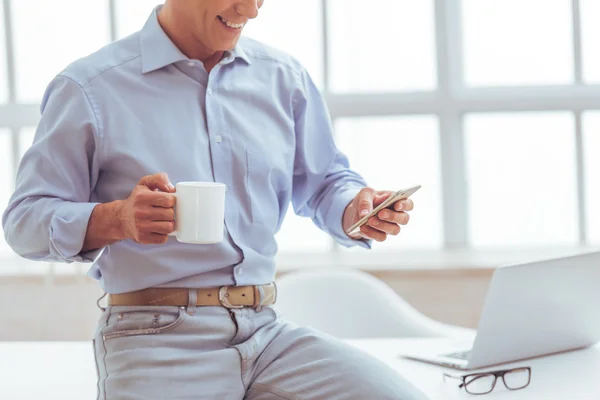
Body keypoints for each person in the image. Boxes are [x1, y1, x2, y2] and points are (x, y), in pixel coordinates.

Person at [2, 1, 428, 399]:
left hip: (267, 333)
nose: (250, 10)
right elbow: (24, 221)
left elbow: (323, 182)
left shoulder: (283, 77)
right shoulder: (91, 87)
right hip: (152, 337)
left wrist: (354, 208)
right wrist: (119, 219)